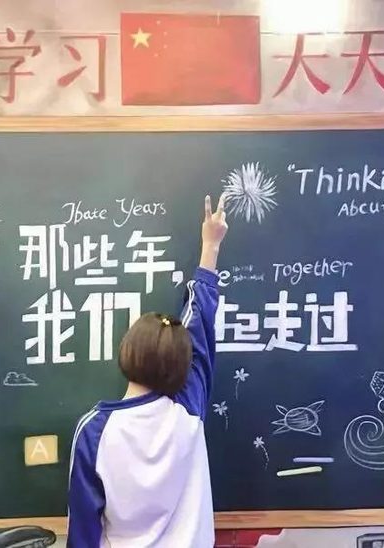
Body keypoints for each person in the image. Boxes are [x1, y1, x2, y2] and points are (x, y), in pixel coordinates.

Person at [67, 194, 228, 547]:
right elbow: (200, 323)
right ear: (183, 365)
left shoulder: (94, 431)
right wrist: (210, 247)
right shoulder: (188, 409)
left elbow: (83, 534)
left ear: (126, 351)